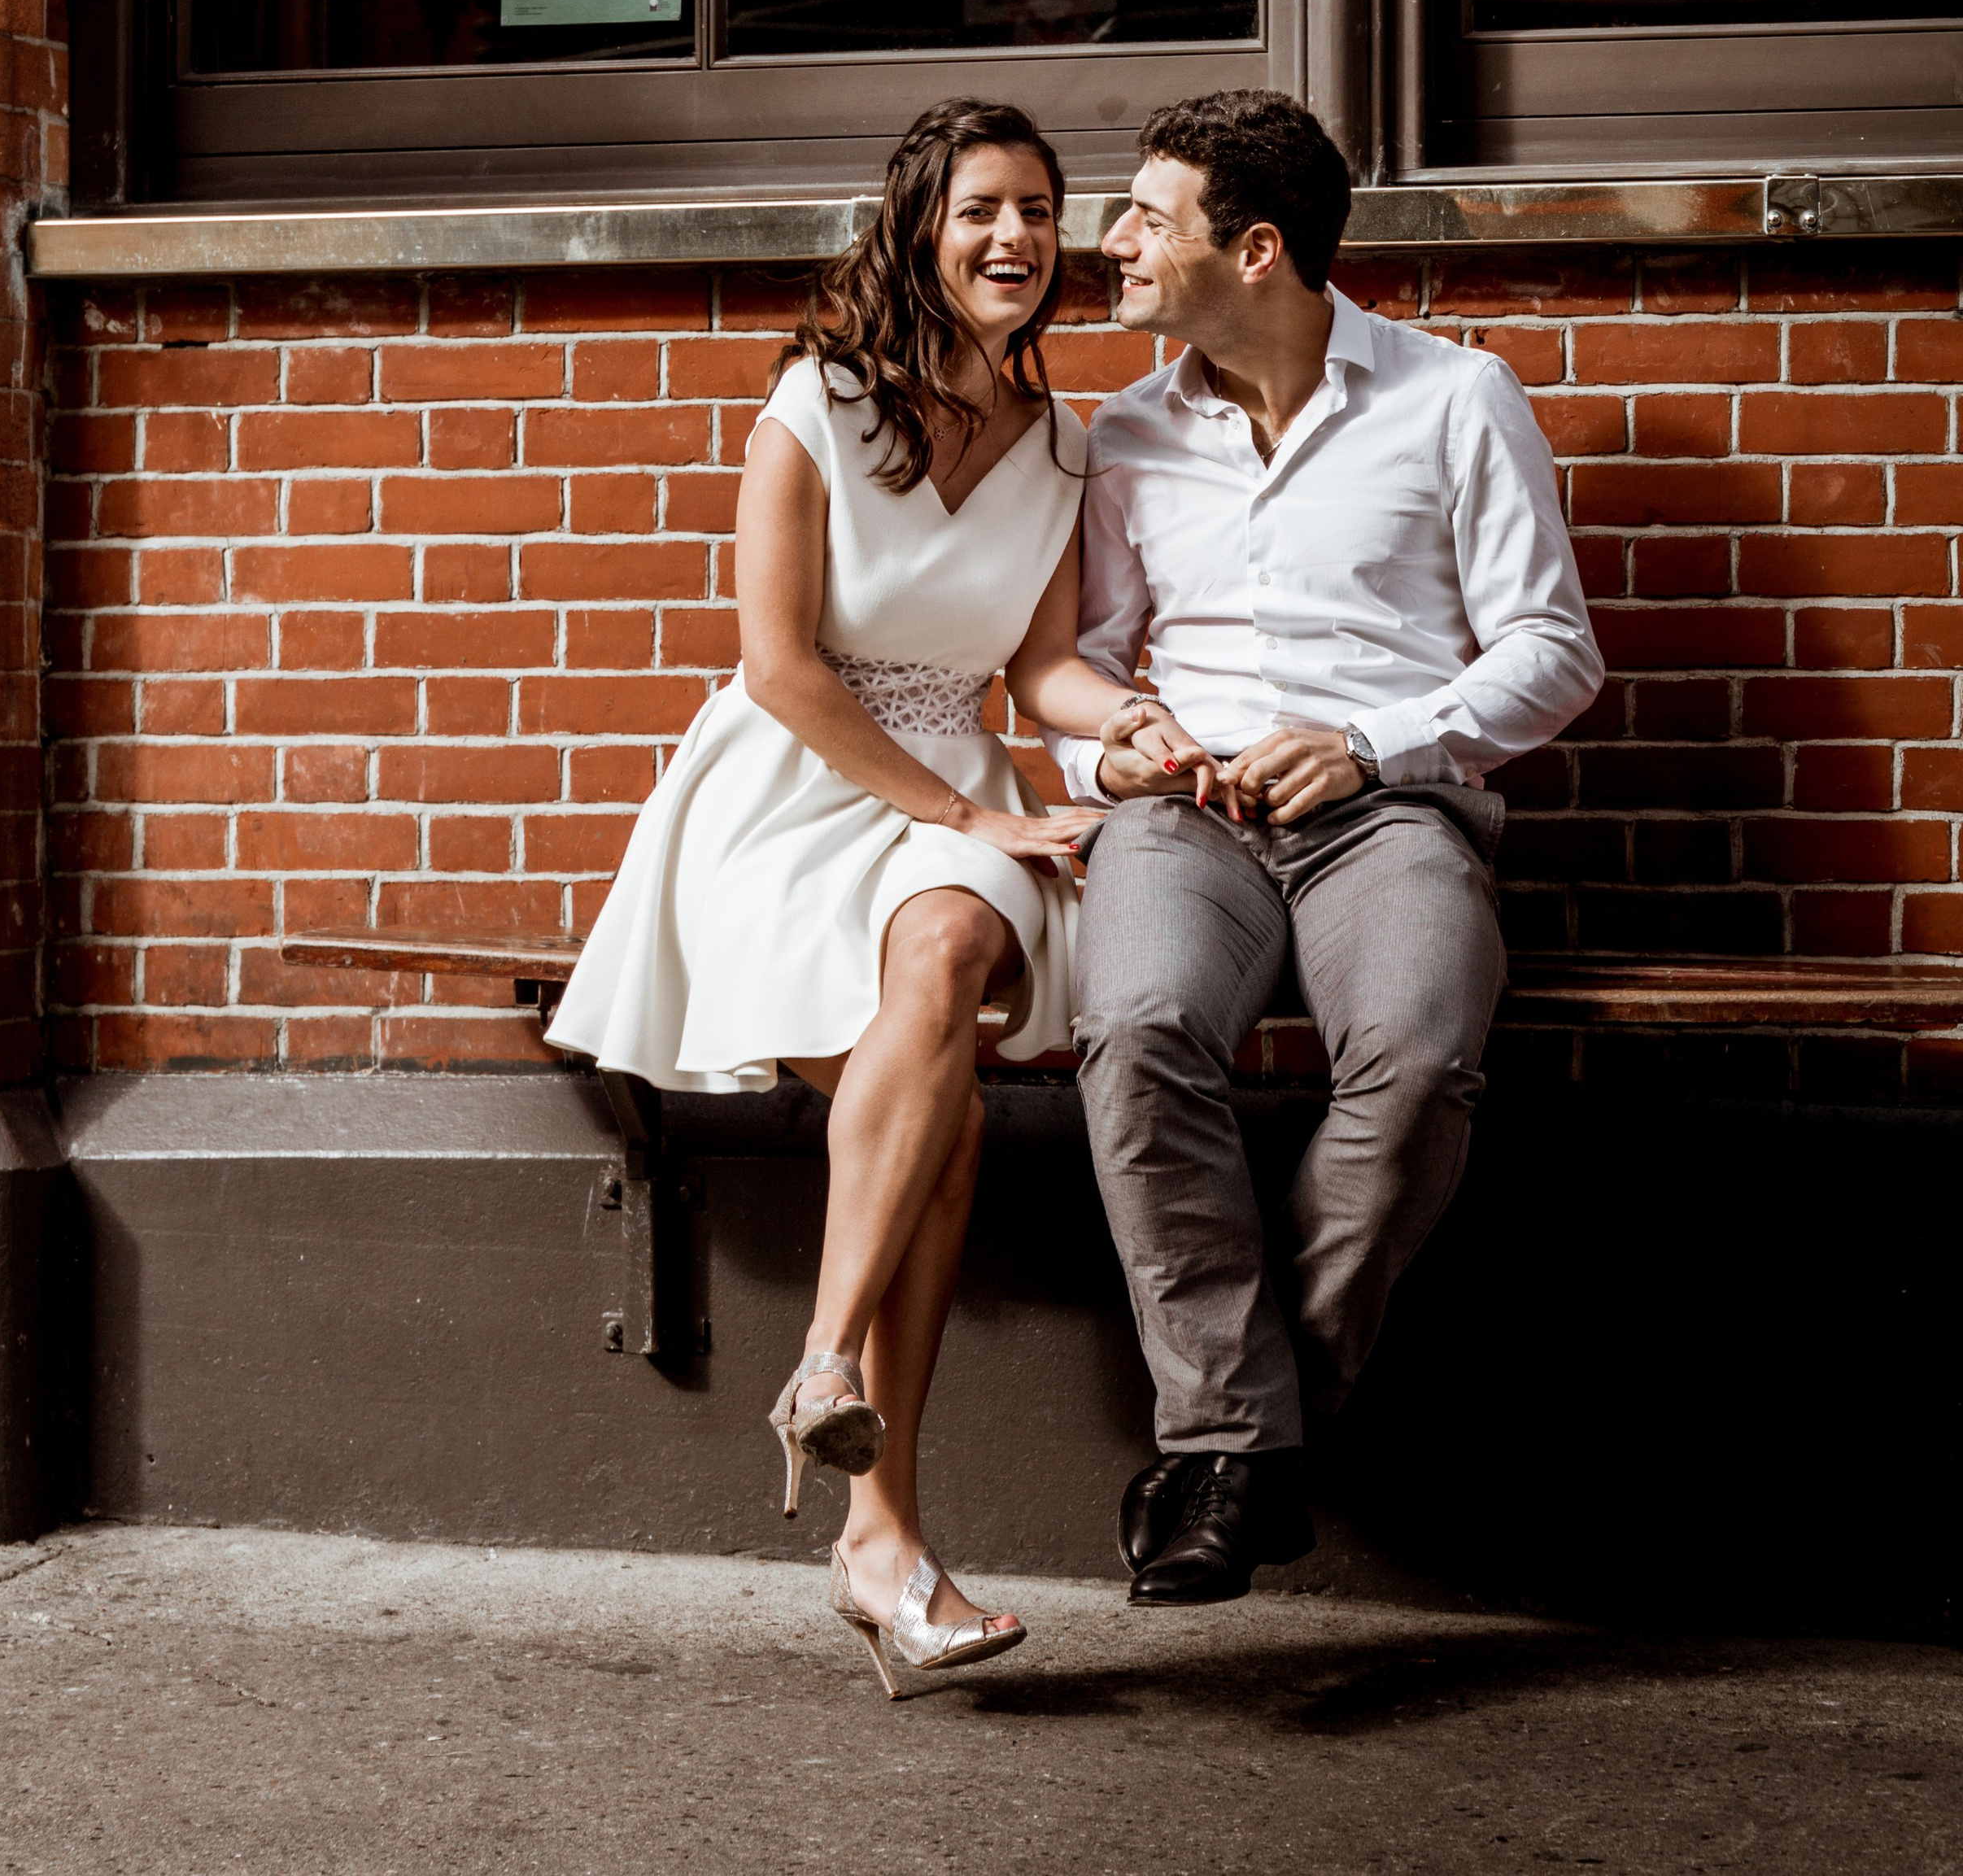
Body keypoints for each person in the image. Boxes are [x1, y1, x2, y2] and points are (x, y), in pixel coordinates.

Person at [545, 97, 1211, 1694]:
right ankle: (880, 1540)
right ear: (922, 227)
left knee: (959, 925)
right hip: (784, 789)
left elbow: (1039, 664)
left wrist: (1117, 720)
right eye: (983, 208)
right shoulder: (817, 402)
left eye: (1041, 214)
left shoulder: (1065, 440)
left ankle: (830, 1362)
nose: (1016, 240)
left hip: (951, 792)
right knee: (951, 1115)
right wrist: (949, 798)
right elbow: (778, 665)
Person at [1042, 89, 1605, 1608]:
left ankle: (1238, 1436)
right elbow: (1081, 662)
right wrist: (1125, 742)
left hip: (1393, 813)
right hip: (1189, 818)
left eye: (1148, 217)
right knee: (1139, 1025)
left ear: (1259, 249)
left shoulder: (1456, 398)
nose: (1114, 241)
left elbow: (1556, 652)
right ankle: (1245, 1436)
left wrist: (1372, 742)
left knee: (1420, 1058)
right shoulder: (1124, 433)